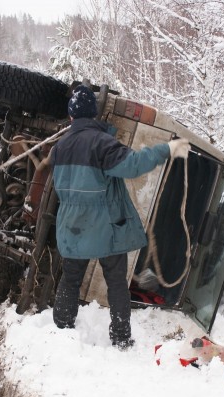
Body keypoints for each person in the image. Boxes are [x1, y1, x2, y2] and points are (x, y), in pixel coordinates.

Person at [50, 85, 190, 349]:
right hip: (104, 227)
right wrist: (166, 149)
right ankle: (121, 338)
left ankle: (62, 329)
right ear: (93, 114)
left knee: (70, 279)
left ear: (71, 117)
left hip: (70, 227)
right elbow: (134, 166)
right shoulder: (101, 143)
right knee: (116, 283)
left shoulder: (59, 148)